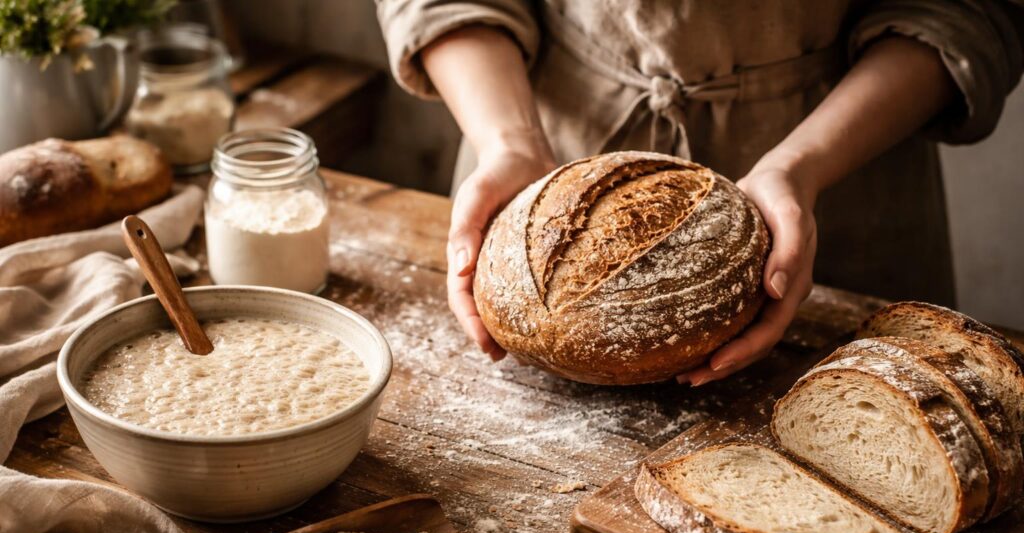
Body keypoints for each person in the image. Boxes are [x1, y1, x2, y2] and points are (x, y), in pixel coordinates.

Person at [376, 1, 1023, 385]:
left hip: (843, 160)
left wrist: (800, 167)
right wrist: (507, 142)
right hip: (535, 134)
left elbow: (972, 8)